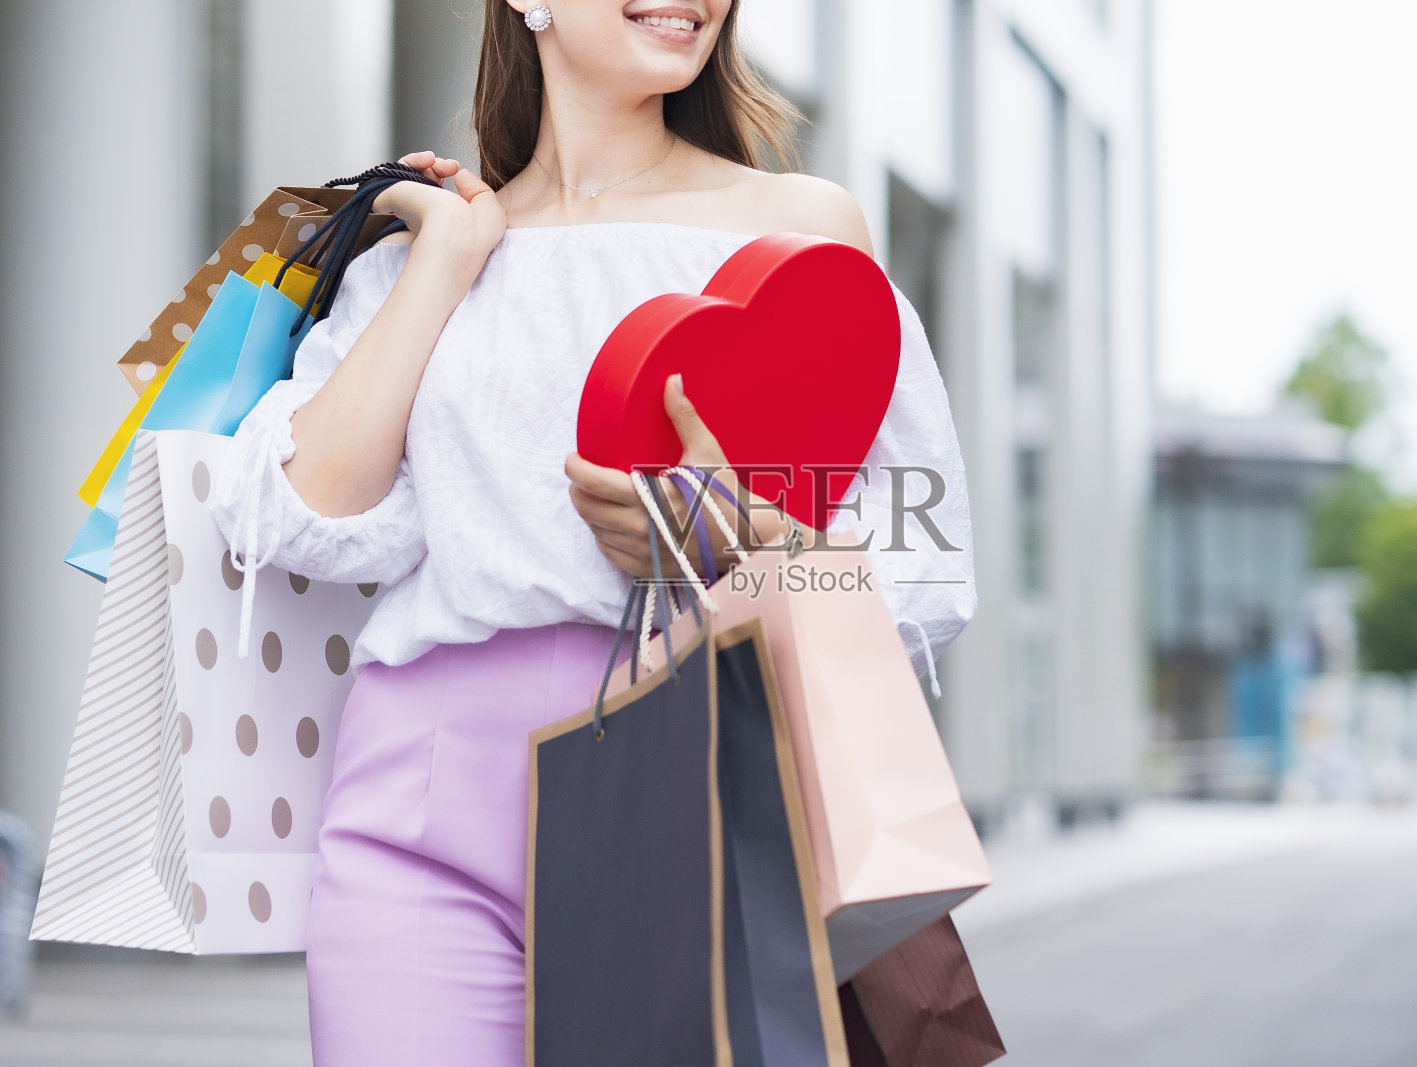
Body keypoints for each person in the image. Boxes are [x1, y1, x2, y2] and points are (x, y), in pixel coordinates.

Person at [211, 1, 975, 1063]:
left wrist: (734, 533)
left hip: (693, 779)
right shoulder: (427, 252)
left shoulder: (800, 228)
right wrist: (444, 263)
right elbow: (301, 515)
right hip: (416, 801)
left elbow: (919, 558)